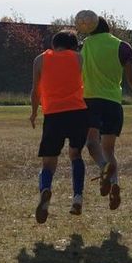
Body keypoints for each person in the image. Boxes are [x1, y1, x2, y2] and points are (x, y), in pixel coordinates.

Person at [81, 16, 132, 210]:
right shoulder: (122, 46)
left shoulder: (84, 45)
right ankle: (114, 183)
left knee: (91, 143)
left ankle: (103, 168)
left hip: (91, 102)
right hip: (113, 104)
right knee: (108, 149)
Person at [30, 30, 88, 223]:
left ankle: (45, 189)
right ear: (73, 46)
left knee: (48, 162)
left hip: (53, 114)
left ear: (54, 44)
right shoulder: (78, 58)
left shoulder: (40, 60)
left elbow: (35, 91)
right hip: (77, 112)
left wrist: (34, 113)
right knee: (75, 155)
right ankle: (77, 197)